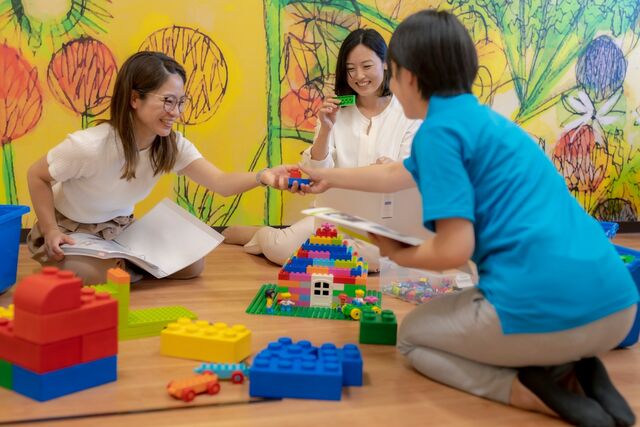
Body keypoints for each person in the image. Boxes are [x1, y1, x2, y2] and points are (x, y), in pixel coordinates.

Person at [300, 10, 638, 427]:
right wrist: (324, 174)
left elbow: (453, 249)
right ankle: (574, 370)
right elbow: (394, 174)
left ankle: (535, 392)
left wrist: (396, 254)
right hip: (618, 306)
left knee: (411, 339)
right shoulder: (485, 122)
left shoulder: (438, 132)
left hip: (547, 309)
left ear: (407, 76)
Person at [27, 51, 296, 285]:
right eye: (168, 101)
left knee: (192, 266)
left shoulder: (171, 145)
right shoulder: (90, 146)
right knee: (92, 275)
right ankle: (116, 264)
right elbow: (36, 175)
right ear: (135, 99)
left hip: (119, 229)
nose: (176, 112)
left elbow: (221, 183)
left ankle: (120, 263)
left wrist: (264, 176)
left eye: (180, 102)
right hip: (70, 228)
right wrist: (51, 230)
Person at [222, 28, 421, 271]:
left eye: (367, 66)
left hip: (384, 223)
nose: (359, 76)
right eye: (350, 69)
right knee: (282, 251)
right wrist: (326, 128)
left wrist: (391, 167)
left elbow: (409, 175)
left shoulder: (408, 112)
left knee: (382, 258)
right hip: (334, 217)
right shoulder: (337, 111)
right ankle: (261, 235)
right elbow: (316, 171)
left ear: (386, 64)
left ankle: (333, 252)